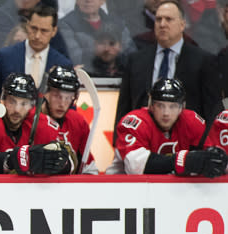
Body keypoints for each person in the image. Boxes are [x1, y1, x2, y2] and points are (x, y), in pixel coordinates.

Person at [114, 0, 221, 135]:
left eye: (168, 19)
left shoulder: (203, 61)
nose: (162, 24)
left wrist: (207, 150)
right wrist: (118, 144)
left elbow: (212, 110)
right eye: (158, 19)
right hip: (143, 141)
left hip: (187, 144)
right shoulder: (136, 60)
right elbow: (123, 108)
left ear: (182, 24)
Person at [107, 78, 227, 176]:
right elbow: (135, 166)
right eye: (160, 105)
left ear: (181, 107)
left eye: (173, 106)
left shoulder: (191, 120)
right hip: (125, 191)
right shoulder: (135, 122)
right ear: (151, 105)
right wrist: (183, 161)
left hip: (173, 191)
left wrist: (213, 160)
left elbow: (211, 153)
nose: (166, 113)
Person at [0, 72, 72, 176]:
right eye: (12, 102)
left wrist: (61, 163)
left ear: (32, 105)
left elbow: (71, 164)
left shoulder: (44, 126)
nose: (17, 110)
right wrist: (11, 159)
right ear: (3, 100)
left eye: (24, 103)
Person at [0, 4, 72, 104]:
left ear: (54, 31)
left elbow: (68, 106)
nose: (37, 36)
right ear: (27, 25)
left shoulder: (63, 64)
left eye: (44, 31)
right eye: (34, 28)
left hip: (47, 119)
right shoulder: (4, 56)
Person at [41, 66, 97, 173]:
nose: (62, 104)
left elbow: (90, 169)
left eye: (68, 97)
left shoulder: (78, 122)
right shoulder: (32, 119)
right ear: (46, 93)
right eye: (57, 96)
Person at [58, 0, 135, 74]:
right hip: (86, 77)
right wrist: (110, 53)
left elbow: (132, 55)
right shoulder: (65, 24)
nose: (88, 0)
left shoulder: (118, 23)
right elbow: (75, 57)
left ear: (103, 1)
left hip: (118, 78)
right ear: (77, 0)